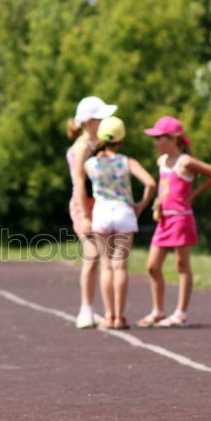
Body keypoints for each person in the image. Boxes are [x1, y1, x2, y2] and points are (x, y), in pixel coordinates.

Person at [137, 116, 211, 328]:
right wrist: (159, 201)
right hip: (164, 220)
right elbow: (165, 187)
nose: (156, 143)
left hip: (181, 219)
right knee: (152, 266)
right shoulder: (161, 162)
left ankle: (180, 313)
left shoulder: (185, 162)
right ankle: (158, 310)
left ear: (173, 140)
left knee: (182, 265)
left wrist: (193, 196)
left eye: (159, 138)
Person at [84, 116, 156, 329]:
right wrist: (142, 203)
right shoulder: (127, 162)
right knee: (120, 266)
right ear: (121, 140)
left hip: (102, 213)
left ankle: (108, 315)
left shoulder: (90, 164)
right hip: (124, 211)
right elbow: (151, 183)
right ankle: (120, 317)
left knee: (106, 267)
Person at [67, 95, 117, 328]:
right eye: (100, 118)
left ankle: (98, 309)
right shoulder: (81, 148)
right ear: (88, 122)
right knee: (92, 254)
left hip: (98, 203)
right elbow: (78, 183)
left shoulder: (97, 144)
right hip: (84, 204)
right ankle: (85, 310)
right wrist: (85, 215)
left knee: (101, 257)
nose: (105, 122)